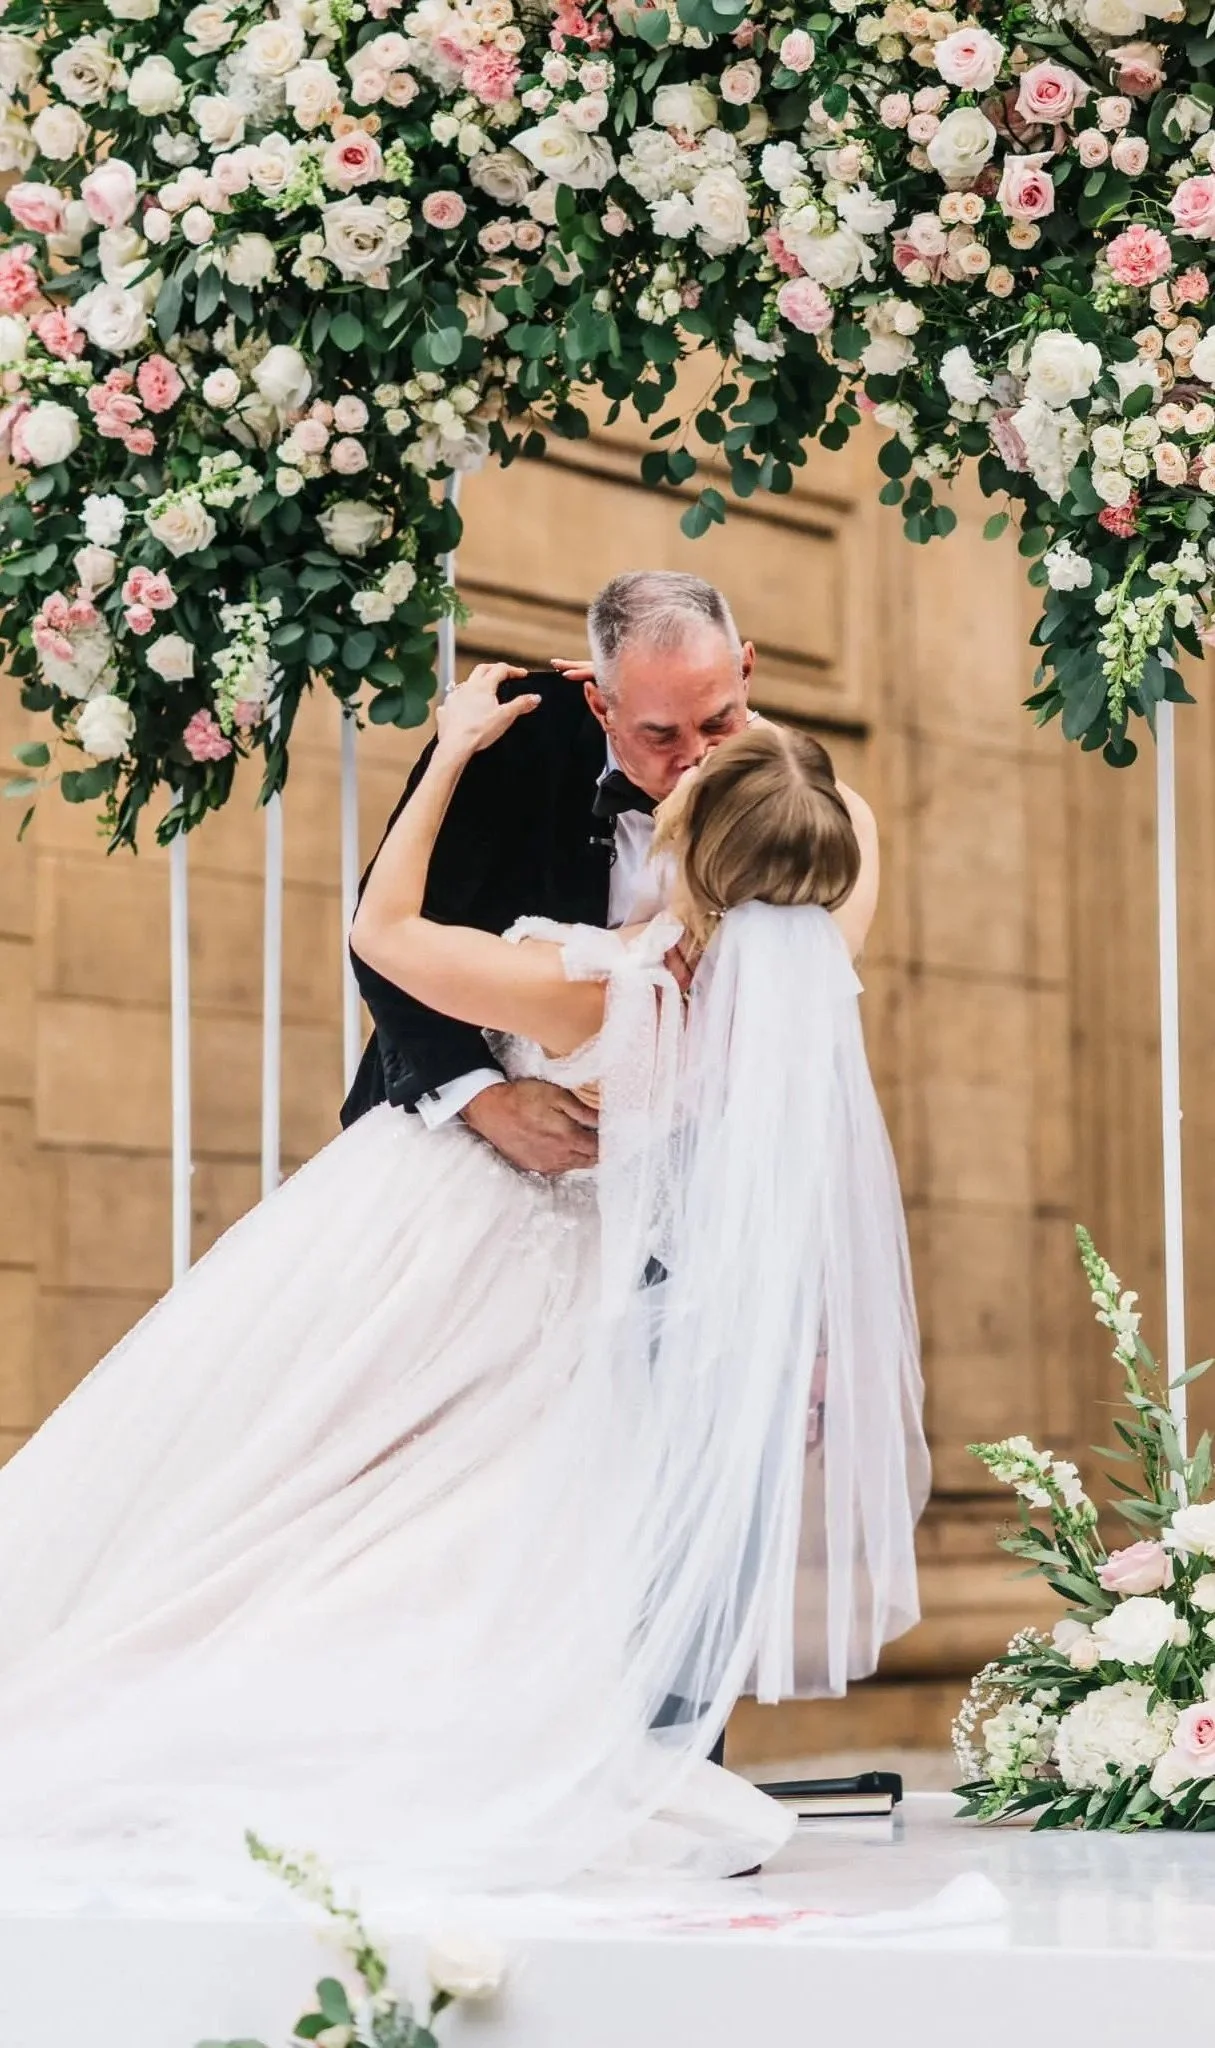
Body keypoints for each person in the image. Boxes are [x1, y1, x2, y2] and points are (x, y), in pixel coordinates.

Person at [0, 664, 927, 1914]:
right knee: (490, 1524)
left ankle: (306, 1722)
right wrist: (752, 748)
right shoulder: (800, 971)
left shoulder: (604, 983)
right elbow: (850, 827)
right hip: (588, 1269)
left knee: (314, 1482)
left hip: (469, 1234)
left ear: (695, 852)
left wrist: (445, 752)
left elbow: (382, 935)